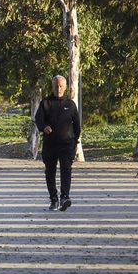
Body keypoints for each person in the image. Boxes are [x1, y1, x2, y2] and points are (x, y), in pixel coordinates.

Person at [33, 74, 81, 210]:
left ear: (65, 87)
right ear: (52, 87)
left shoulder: (70, 104)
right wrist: (44, 127)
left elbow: (77, 125)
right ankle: (53, 198)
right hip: (50, 145)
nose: (58, 89)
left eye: (61, 86)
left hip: (67, 145)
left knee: (66, 171)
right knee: (50, 172)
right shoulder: (45, 103)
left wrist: (75, 142)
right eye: (56, 86)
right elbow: (39, 120)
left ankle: (65, 197)